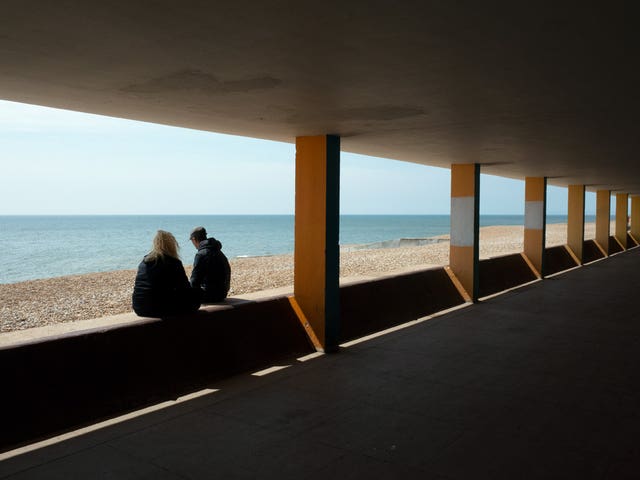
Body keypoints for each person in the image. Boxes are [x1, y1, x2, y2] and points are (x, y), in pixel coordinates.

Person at [132, 230, 201, 317]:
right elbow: (185, 289)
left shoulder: (144, 261)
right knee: (195, 299)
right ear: (172, 245)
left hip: (139, 308)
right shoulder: (174, 263)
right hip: (160, 308)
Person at [189, 226, 231, 303]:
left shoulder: (201, 254)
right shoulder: (218, 251)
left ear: (194, 239)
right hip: (222, 294)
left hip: (209, 295)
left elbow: (194, 281)